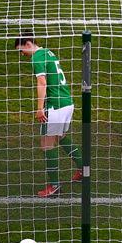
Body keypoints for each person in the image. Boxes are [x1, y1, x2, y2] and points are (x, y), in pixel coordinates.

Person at [15, 33, 83, 198]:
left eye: (21, 50)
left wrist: (40, 109)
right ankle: (84, 169)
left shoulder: (37, 58)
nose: (21, 54)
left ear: (28, 43)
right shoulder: (48, 52)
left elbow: (42, 82)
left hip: (56, 106)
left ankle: (54, 186)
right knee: (60, 137)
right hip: (67, 102)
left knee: (47, 144)